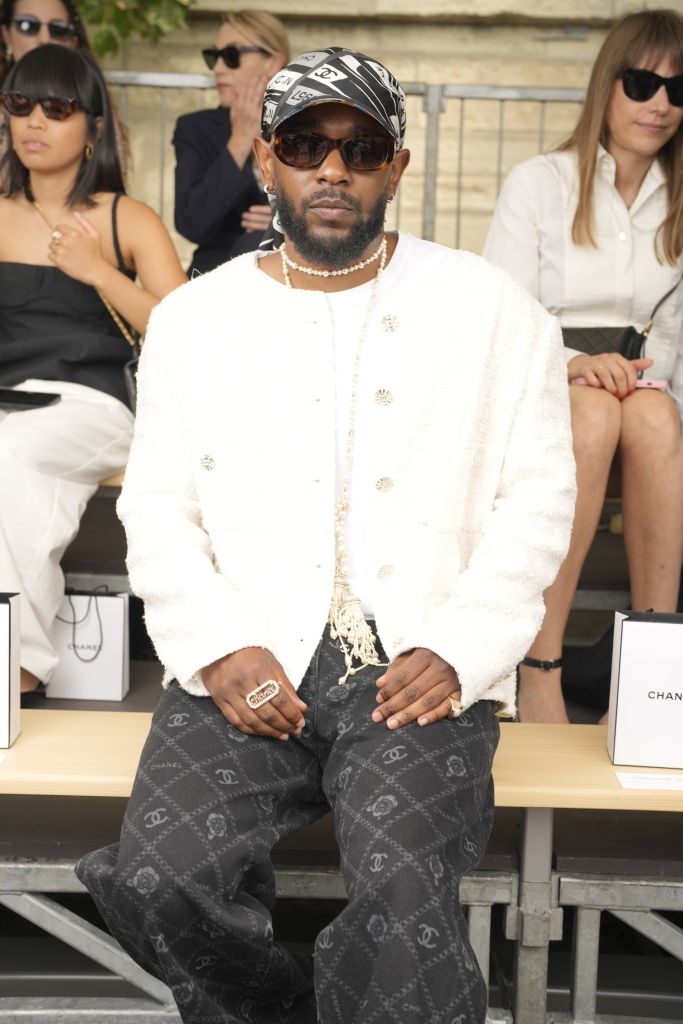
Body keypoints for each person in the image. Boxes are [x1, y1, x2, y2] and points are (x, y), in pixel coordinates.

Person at [77, 47, 575, 1024]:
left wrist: (460, 643)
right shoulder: (195, 320)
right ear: (269, 157)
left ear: (395, 165)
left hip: (415, 665)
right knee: (160, 878)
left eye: (360, 147)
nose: (331, 169)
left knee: (401, 895)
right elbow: (156, 506)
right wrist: (217, 646)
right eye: (306, 143)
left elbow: (537, 498)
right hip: (248, 652)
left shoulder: (491, 310)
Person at [484, 8, 683, 724]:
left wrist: (648, 378)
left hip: (651, 384)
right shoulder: (538, 182)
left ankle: (652, 677)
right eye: (641, 83)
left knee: (655, 416)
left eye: (677, 88)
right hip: (551, 375)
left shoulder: (680, 193)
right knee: (595, 411)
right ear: (606, 85)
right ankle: (540, 666)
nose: (660, 104)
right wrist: (577, 364)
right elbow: (505, 313)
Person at [0, 44, 186, 694]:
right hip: (9, 399)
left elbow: (184, 331)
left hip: (93, 399)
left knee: (7, 454)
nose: (34, 122)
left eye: (57, 108)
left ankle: (16, 666)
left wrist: (97, 271)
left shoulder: (124, 217)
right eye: (20, 105)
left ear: (93, 127)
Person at [173, 9, 289, 276]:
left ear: (272, 63)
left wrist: (283, 220)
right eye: (213, 57)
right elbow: (193, 224)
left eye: (231, 56)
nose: (218, 68)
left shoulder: (306, 128)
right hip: (216, 274)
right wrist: (239, 139)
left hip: (292, 276)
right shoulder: (195, 128)